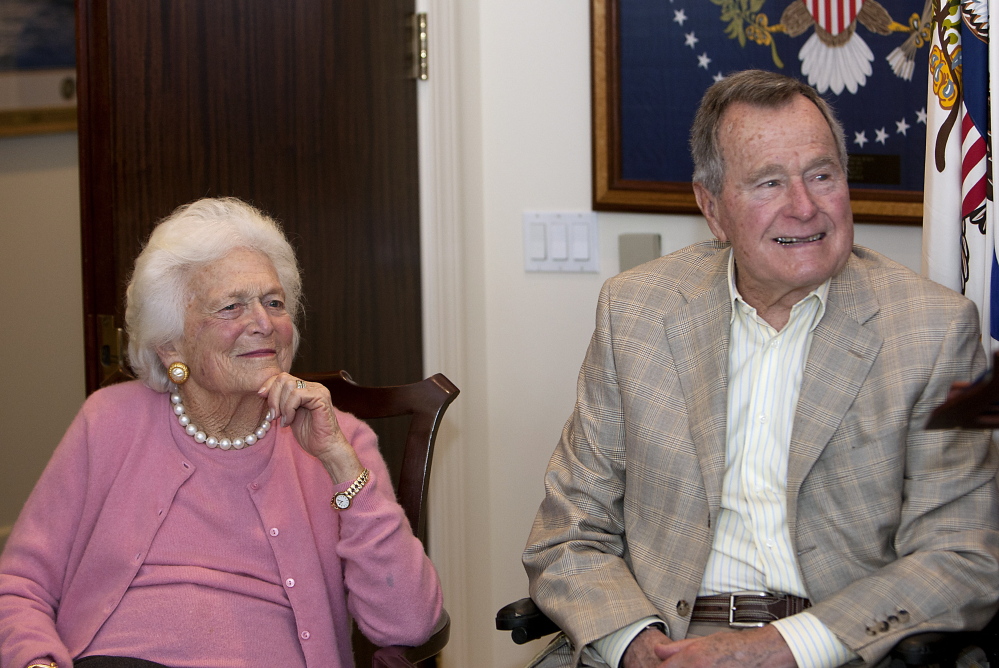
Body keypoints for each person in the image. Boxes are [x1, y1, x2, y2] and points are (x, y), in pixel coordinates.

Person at [523, 70, 999, 668]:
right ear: (712, 208)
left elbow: (961, 555)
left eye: (821, 176)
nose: (804, 207)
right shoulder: (636, 312)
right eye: (769, 183)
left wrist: (783, 648)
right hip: (660, 635)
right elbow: (568, 529)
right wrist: (636, 645)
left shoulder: (931, 330)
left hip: (832, 647)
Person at [0, 197, 443, 668]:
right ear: (172, 342)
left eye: (274, 303)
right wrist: (36, 661)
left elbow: (410, 624)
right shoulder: (109, 420)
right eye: (231, 307)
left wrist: (338, 462)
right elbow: (21, 584)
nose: (263, 324)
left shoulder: (342, 442)